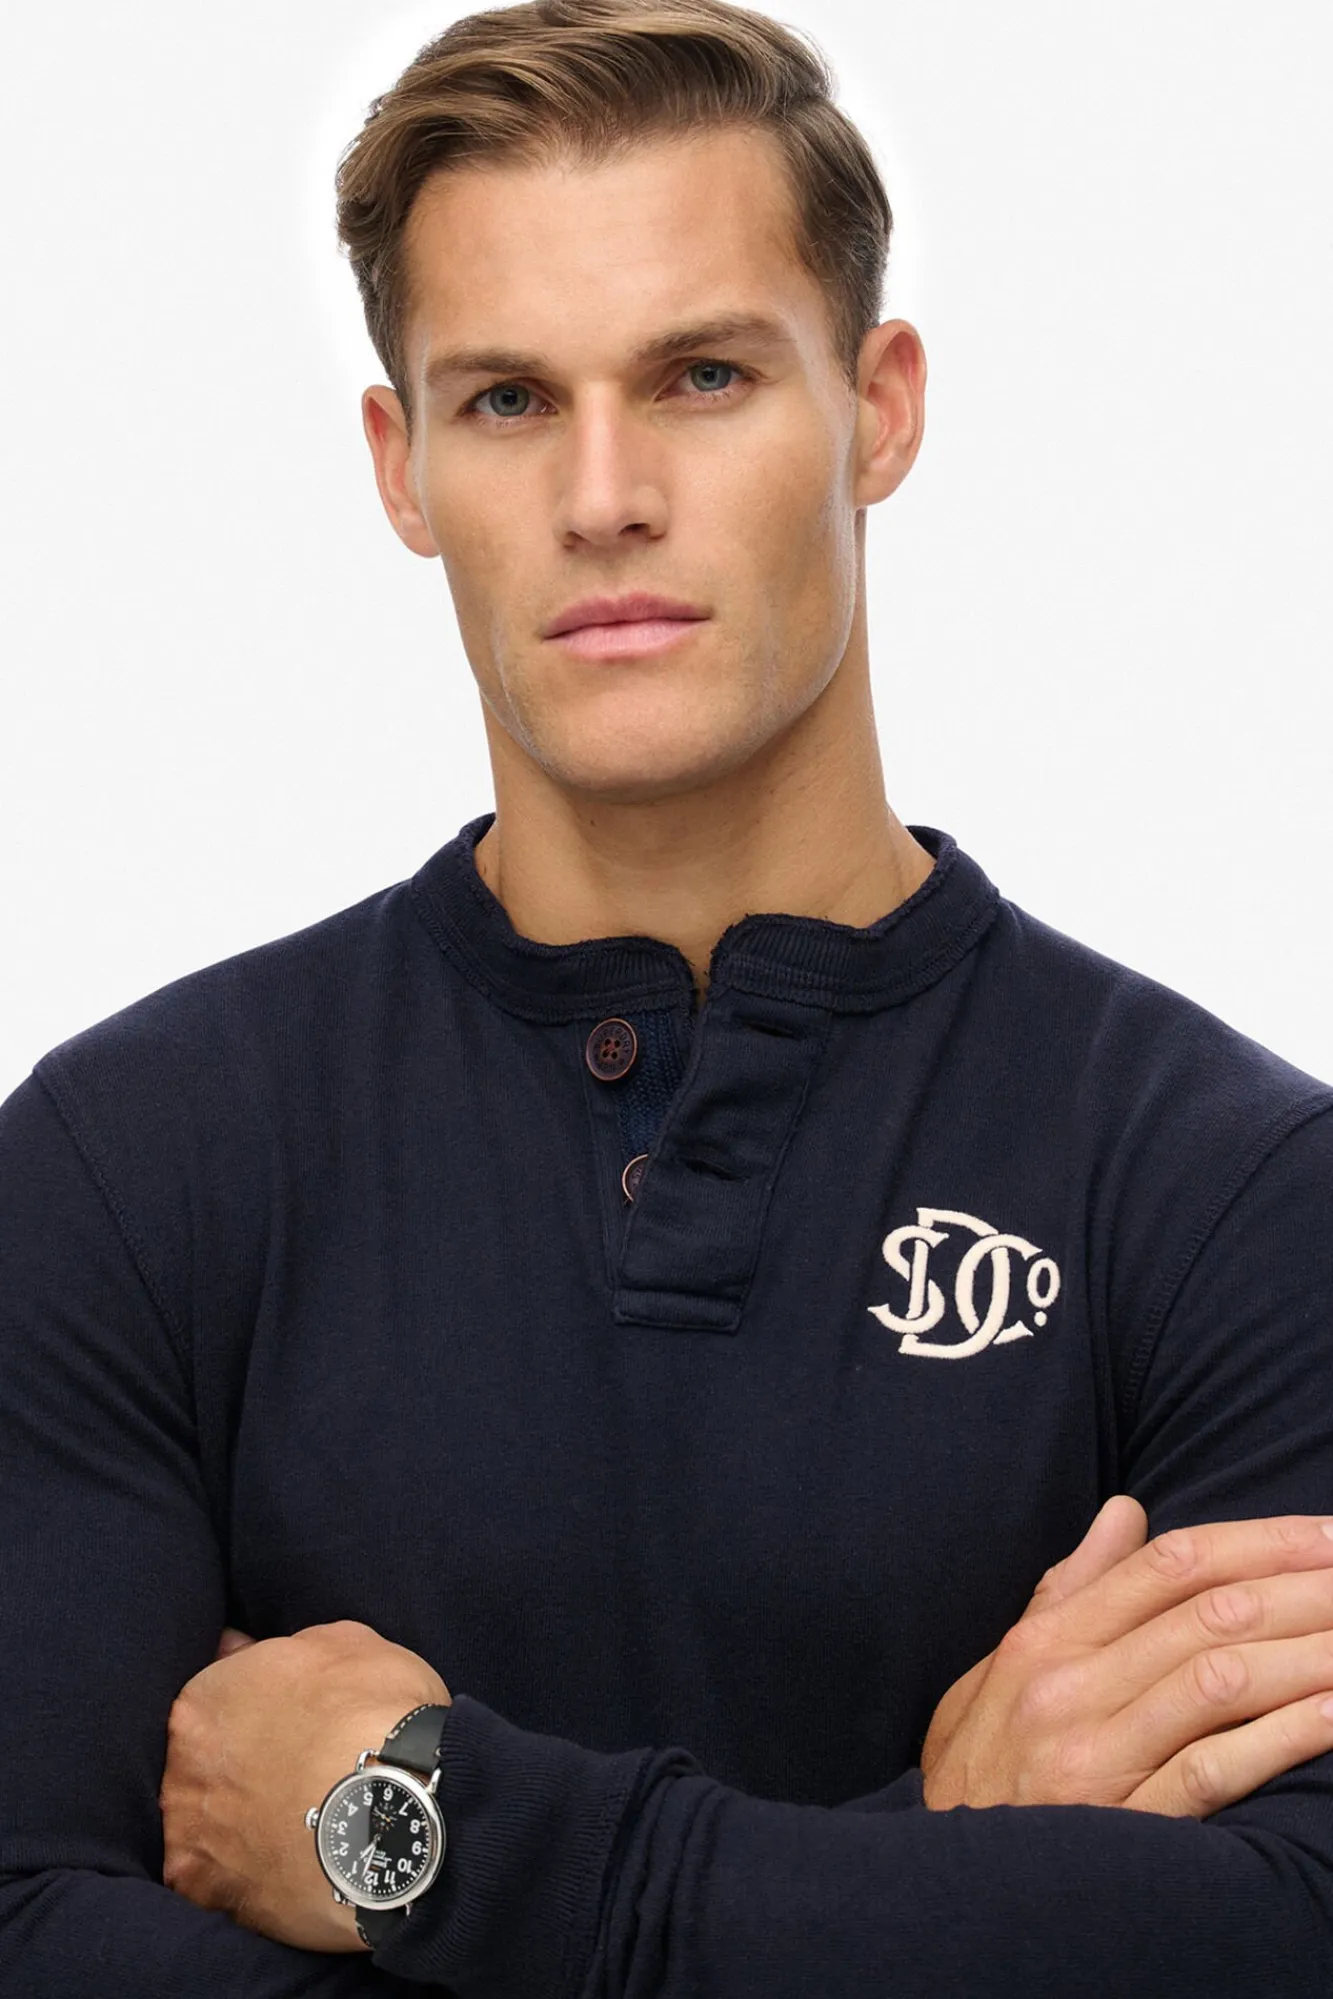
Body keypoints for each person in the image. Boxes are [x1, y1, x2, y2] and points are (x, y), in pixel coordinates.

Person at [3, 0, 1332, 1992]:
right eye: (508, 400)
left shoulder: (1237, 1194)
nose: (605, 492)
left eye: (703, 376)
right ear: (401, 465)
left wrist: (425, 1840)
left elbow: (1284, 1944)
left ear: (880, 407)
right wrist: (938, 1857)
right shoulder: (130, 1169)